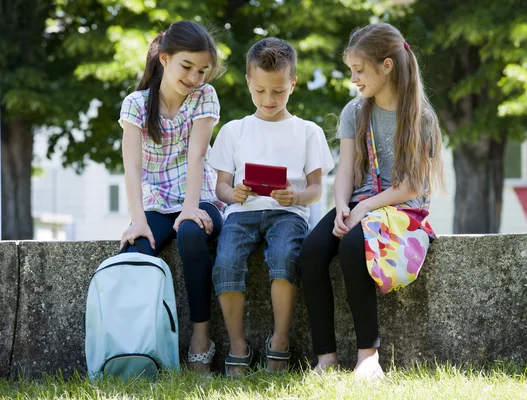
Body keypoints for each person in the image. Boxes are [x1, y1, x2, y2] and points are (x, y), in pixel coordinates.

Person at [300, 23, 445, 378]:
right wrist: (344, 206)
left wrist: (364, 208)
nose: (354, 79)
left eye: (359, 70)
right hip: (361, 203)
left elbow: (413, 186)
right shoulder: (354, 111)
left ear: (387, 66)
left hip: (401, 209)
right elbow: (346, 171)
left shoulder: (419, 116)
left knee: (353, 245)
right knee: (313, 251)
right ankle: (326, 357)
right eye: (351, 70)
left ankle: (368, 356)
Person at [208, 37, 334, 377]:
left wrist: (295, 197)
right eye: (260, 90)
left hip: (288, 214)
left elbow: (316, 189)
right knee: (227, 261)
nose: (268, 99)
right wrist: (232, 193)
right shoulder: (234, 131)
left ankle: (279, 341)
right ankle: (238, 345)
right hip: (241, 213)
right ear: (249, 82)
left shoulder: (308, 132)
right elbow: (220, 186)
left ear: (293, 84)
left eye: (278, 91)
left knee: (284, 258)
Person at [118, 20, 225, 373]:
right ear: (164, 58)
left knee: (192, 233)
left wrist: (191, 208)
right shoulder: (136, 105)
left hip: (200, 195)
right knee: (137, 251)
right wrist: (137, 219)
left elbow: (197, 156)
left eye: (202, 70)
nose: (195, 77)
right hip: (156, 202)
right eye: (187, 67)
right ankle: (140, 349)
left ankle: (200, 339)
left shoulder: (204, 97)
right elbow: (131, 167)